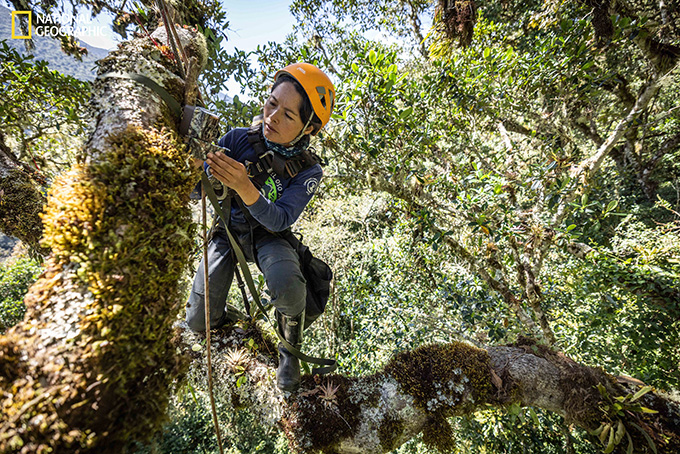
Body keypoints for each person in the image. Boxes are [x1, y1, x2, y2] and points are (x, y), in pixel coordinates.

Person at [186, 63, 335, 392]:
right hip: (228, 231)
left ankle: (289, 349)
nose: (272, 118)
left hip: (270, 236)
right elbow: (197, 191)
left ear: (308, 129)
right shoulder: (239, 140)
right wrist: (196, 168)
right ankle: (235, 320)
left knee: (287, 282)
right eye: (271, 104)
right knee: (197, 321)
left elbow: (281, 218)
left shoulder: (307, 171)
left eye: (288, 116)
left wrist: (245, 186)